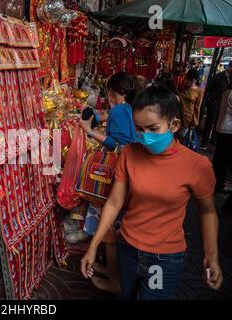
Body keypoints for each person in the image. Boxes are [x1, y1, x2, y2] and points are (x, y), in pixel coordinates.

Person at [81, 85, 223, 300]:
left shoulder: (197, 165)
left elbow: (208, 212)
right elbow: (114, 202)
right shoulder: (129, 153)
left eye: (153, 128)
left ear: (173, 125)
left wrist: (211, 255)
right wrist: (93, 246)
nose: (145, 137)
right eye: (139, 129)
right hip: (127, 248)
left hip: (164, 258)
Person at [78, 71, 137, 294]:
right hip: (127, 170)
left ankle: (114, 279)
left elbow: (117, 144)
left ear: (113, 92)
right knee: (112, 222)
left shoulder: (121, 110)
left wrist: (89, 131)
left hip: (118, 170)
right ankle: (111, 268)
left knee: (110, 223)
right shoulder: (128, 108)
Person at [201, 61, 232, 149]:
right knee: (209, 123)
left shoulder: (231, 78)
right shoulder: (219, 76)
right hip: (214, 103)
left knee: (218, 123)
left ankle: (213, 140)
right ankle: (204, 142)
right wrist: (211, 101)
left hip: (224, 105)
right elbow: (209, 89)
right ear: (229, 67)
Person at [212, 81, 232, 202]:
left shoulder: (226, 92)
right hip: (229, 130)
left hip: (222, 127)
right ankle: (218, 184)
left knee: (219, 157)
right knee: (224, 159)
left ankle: (215, 181)